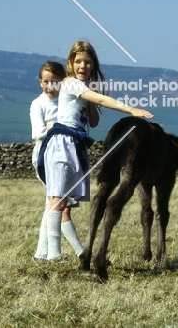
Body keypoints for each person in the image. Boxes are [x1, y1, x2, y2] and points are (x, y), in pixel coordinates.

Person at [37, 41, 153, 261]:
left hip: (74, 144)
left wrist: (89, 96)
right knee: (58, 200)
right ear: (70, 63)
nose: (83, 66)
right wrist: (130, 109)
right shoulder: (70, 83)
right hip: (63, 142)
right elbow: (101, 99)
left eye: (88, 62)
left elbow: (94, 120)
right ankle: (52, 254)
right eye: (78, 61)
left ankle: (46, 253)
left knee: (61, 201)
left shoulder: (83, 88)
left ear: (93, 65)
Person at [30, 61, 84, 260]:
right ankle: (54, 254)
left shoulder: (65, 100)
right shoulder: (38, 104)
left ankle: (42, 253)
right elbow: (37, 132)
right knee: (56, 202)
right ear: (40, 82)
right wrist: (57, 126)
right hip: (45, 155)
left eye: (54, 82)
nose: (50, 87)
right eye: (46, 82)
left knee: (53, 203)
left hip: (64, 153)